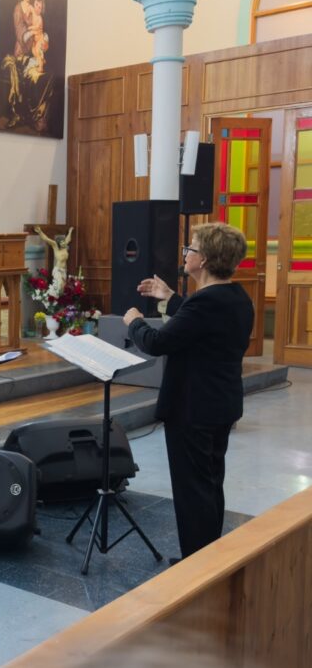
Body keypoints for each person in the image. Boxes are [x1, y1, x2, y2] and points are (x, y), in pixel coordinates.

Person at [123, 222, 254, 562]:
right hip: (219, 405)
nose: (185, 254)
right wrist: (170, 297)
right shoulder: (235, 297)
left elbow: (157, 342)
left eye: (191, 249)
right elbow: (198, 325)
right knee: (209, 483)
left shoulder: (205, 304)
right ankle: (208, 556)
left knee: (192, 490)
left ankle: (196, 567)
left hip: (193, 409)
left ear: (205, 260)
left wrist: (134, 320)